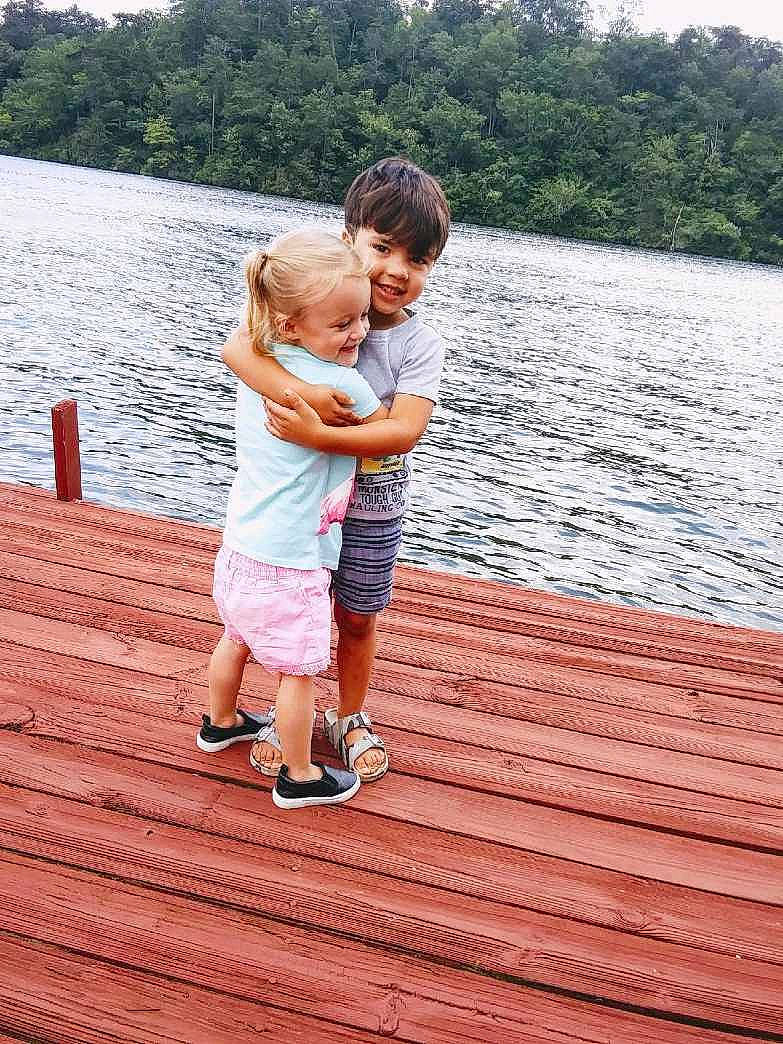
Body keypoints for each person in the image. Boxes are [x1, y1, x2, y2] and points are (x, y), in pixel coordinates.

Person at [221, 157, 450, 785]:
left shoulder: (417, 346)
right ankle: (286, 716)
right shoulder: (309, 300)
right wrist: (300, 389)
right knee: (296, 611)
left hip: (371, 505)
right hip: (298, 510)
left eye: (418, 261)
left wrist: (321, 431)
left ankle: (349, 716)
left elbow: (403, 432)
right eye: (382, 248)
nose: (396, 271)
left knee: (355, 615)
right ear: (350, 235)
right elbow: (239, 347)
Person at [198, 227, 386, 809]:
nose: (359, 332)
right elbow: (387, 439)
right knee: (298, 671)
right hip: (293, 560)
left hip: (241, 544)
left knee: (235, 639)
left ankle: (220, 721)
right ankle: (300, 775)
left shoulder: (262, 359)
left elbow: (237, 346)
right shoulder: (346, 384)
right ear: (291, 324)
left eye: (361, 318)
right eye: (343, 324)